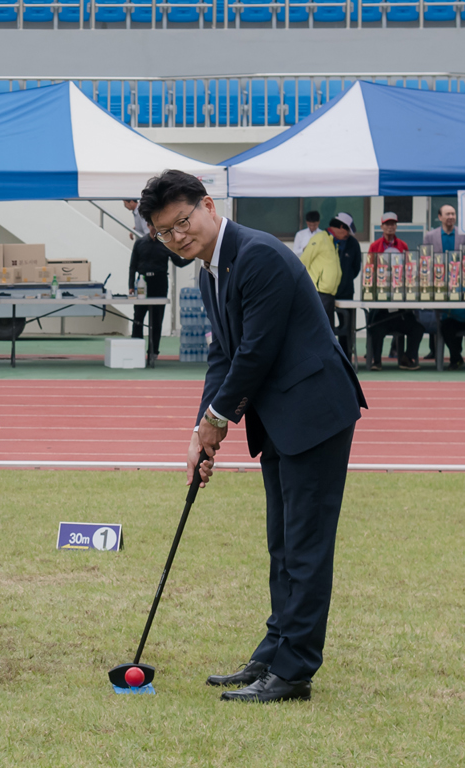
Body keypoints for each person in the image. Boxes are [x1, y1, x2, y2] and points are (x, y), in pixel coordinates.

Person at [139, 171, 365, 704]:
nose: (177, 237)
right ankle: (274, 650)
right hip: (280, 417)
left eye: (182, 222)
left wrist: (217, 421)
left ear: (207, 205)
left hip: (314, 412)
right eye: (164, 232)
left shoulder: (258, 255)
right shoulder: (208, 273)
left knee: (305, 545)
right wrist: (201, 429)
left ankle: (293, 670)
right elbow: (222, 354)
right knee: (282, 543)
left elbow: (255, 352)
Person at [422, 204, 465, 368]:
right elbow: (426, 261)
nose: (451, 217)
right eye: (447, 214)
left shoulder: (464, 234)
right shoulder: (430, 236)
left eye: (453, 214)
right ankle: (454, 356)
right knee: (445, 321)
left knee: (461, 317)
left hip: (460, 285)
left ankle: (459, 357)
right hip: (439, 285)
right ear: (440, 217)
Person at [365, 212, 423, 370]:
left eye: (393, 224)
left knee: (418, 328)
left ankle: (407, 358)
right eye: (387, 224)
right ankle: (376, 361)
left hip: (400, 303)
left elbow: (409, 269)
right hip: (382, 302)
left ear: (396, 226)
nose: (390, 227)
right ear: (381, 226)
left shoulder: (403, 245)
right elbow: (369, 269)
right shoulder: (375, 246)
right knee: (375, 328)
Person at [129, 216, 170, 362]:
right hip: (142, 283)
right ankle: (136, 351)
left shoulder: (166, 243)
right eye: (152, 225)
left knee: (156, 321)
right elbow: (132, 266)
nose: (154, 228)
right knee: (138, 319)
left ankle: (153, 352)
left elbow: (179, 261)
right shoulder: (140, 243)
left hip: (160, 283)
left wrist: (194, 254)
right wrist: (130, 286)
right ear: (148, 225)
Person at [330, 212, 361, 355]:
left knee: (346, 327)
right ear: (341, 227)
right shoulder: (326, 240)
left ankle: (346, 356)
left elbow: (356, 268)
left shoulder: (353, 244)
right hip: (327, 293)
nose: (348, 234)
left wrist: (345, 280)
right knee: (326, 326)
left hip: (346, 292)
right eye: (347, 229)